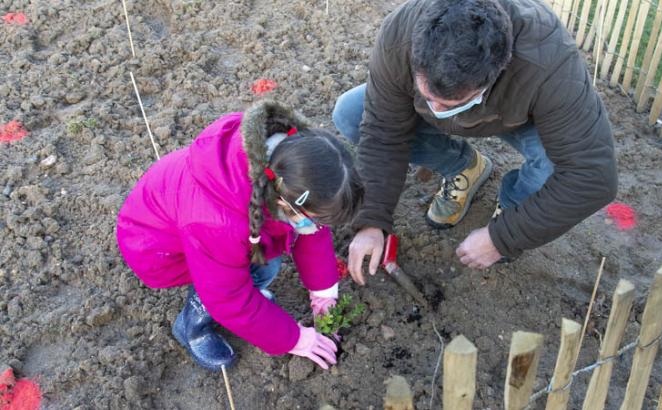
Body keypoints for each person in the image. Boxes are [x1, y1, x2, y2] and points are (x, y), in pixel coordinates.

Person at [334, 0, 617, 284]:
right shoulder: (401, 34)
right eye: (429, 97)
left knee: (553, 169)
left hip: (520, 115)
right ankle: (464, 167)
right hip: (471, 95)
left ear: (495, 73)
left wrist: (503, 236)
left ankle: (513, 205)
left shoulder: (547, 62)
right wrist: (371, 220)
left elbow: (592, 175)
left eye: (451, 103)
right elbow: (383, 130)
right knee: (350, 114)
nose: (438, 112)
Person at [117, 100, 364, 371]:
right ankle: (192, 326)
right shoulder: (219, 223)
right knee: (244, 275)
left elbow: (312, 234)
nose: (317, 228)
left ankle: (245, 283)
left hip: (193, 226)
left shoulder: (288, 166)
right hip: (156, 249)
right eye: (315, 221)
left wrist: (324, 294)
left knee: (265, 260)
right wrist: (295, 339)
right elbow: (228, 297)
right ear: (284, 204)